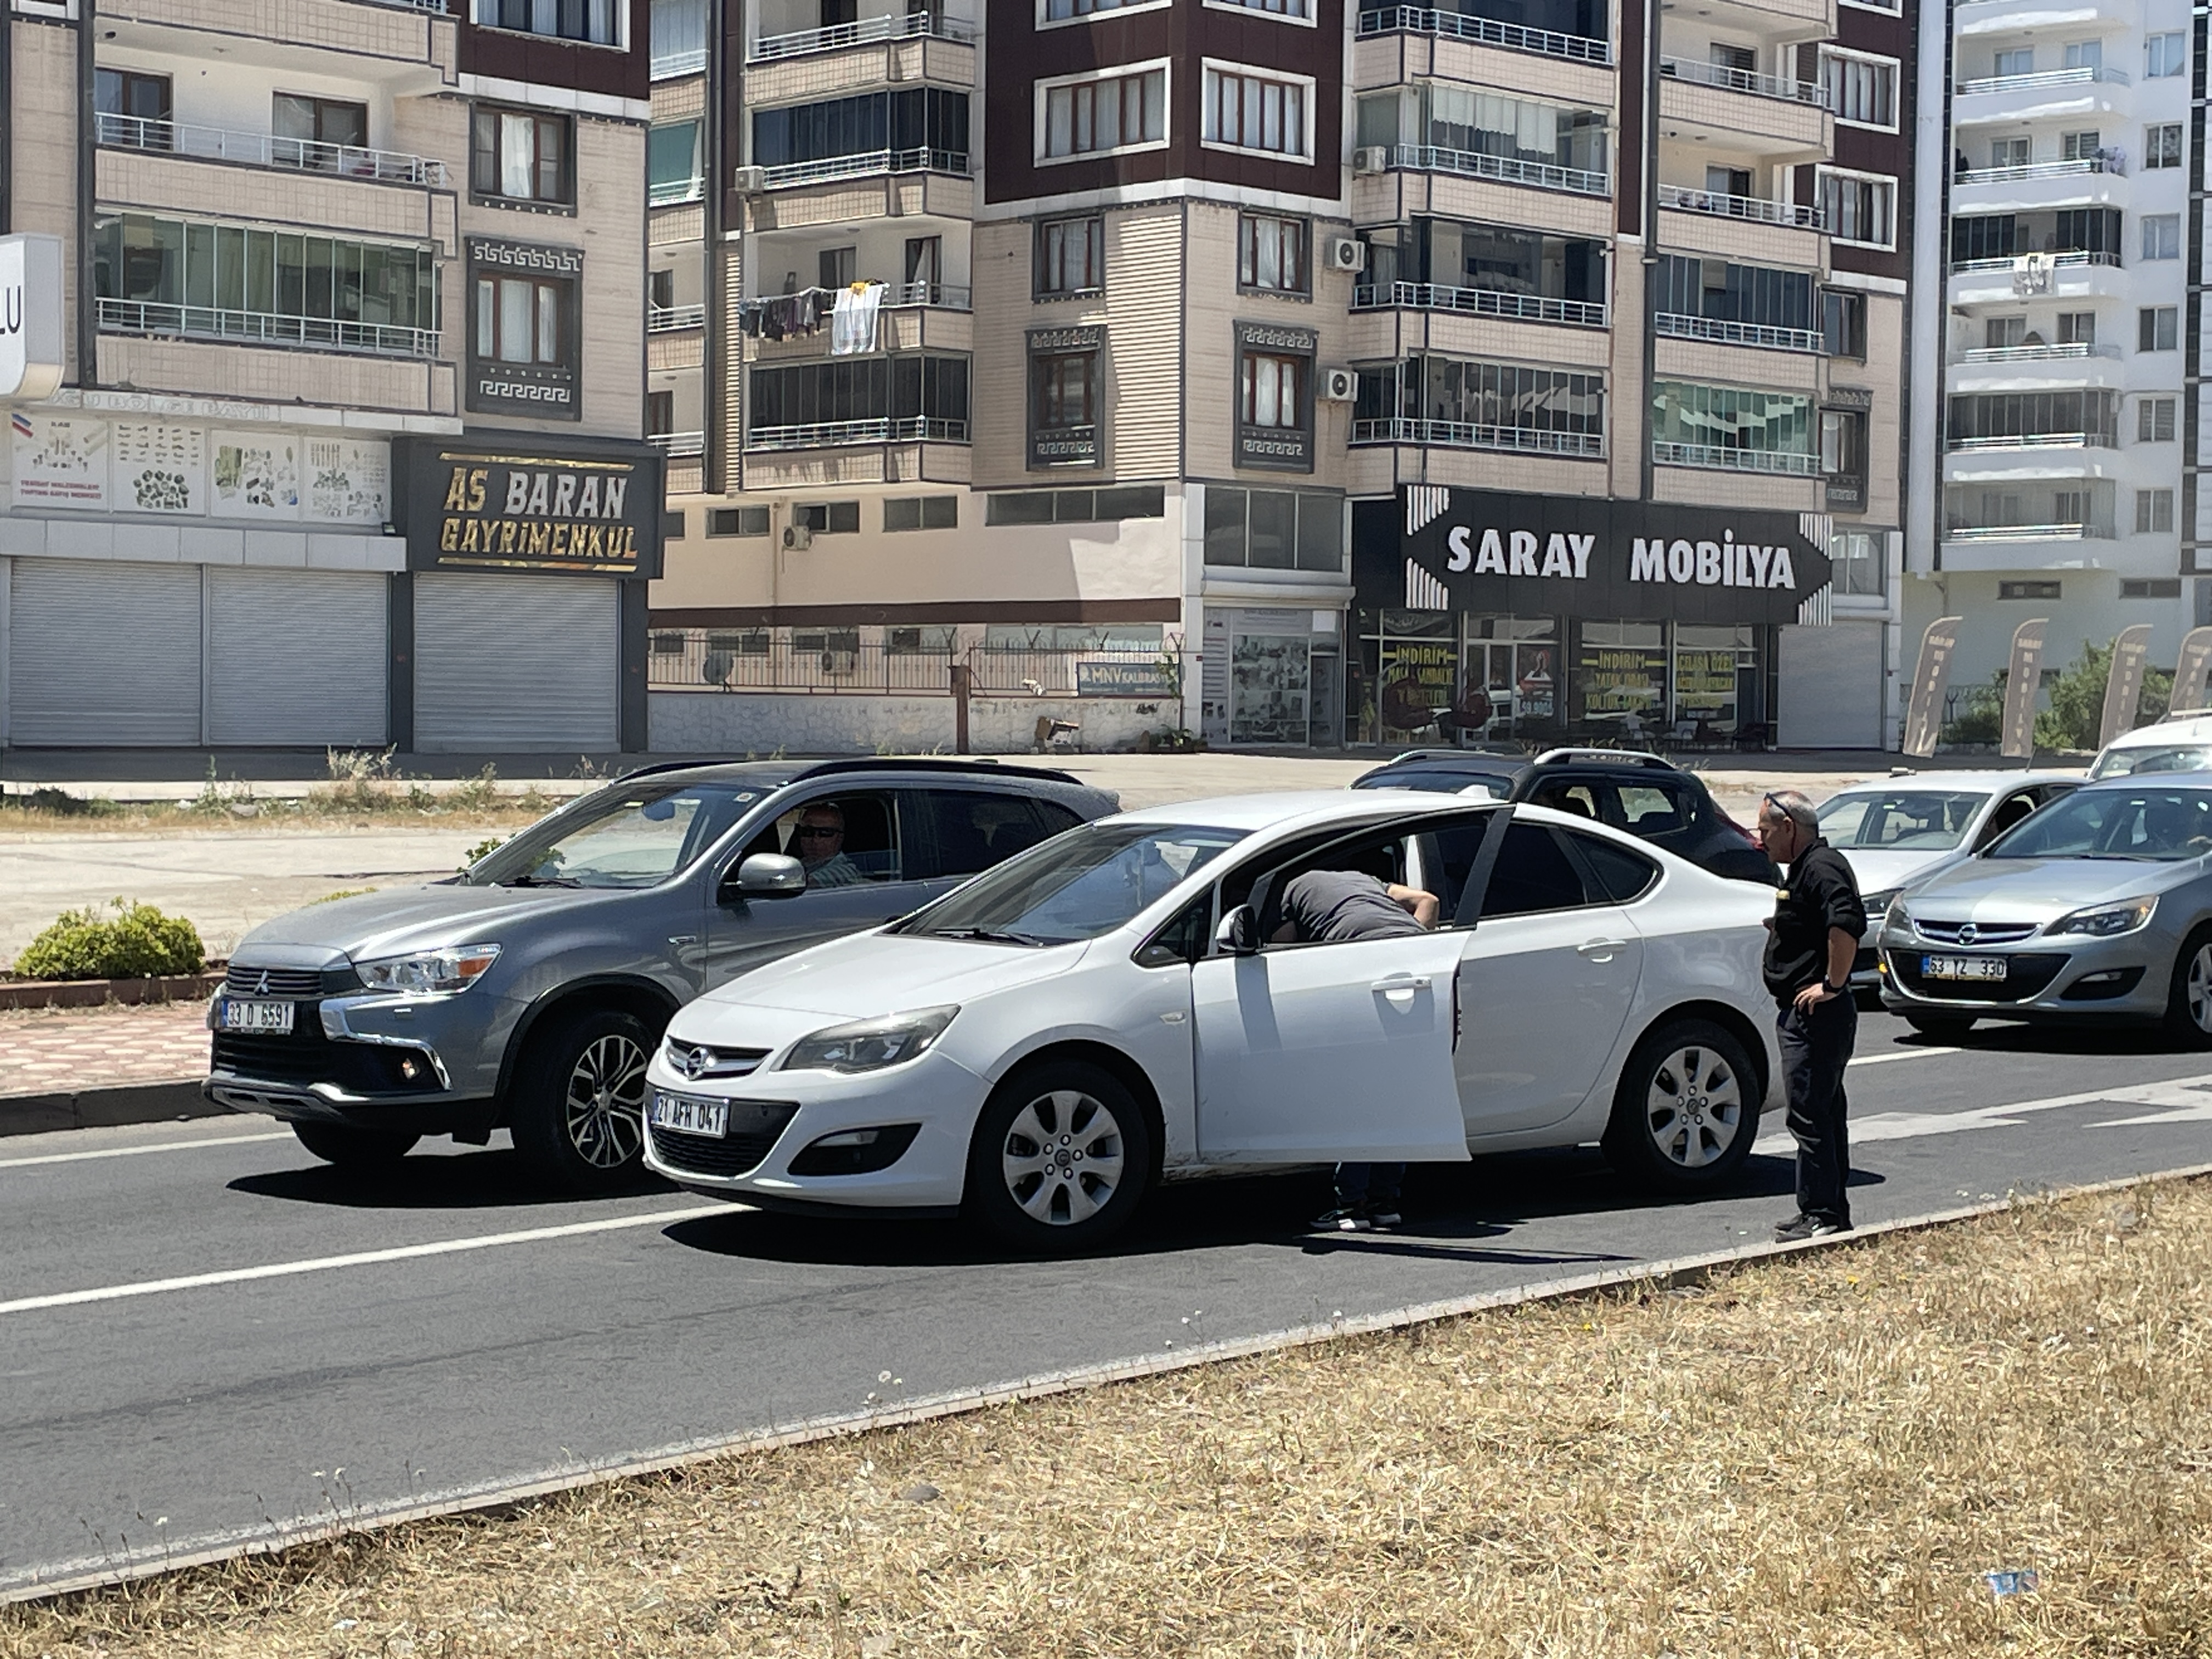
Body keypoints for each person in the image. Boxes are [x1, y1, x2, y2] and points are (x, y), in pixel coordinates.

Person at [1273, 866, 1441, 1234]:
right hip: (1420, 966)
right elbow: (1429, 900)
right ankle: (1385, 1203)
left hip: (1365, 964)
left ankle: (1351, 1207)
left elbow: (1283, 950)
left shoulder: (1292, 888)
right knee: (1394, 1098)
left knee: (1359, 1098)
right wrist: (1415, 949)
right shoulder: (1365, 882)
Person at [1757, 788, 1867, 1242]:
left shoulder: (1822, 866)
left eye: (1765, 831)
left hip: (1817, 1017)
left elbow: (1846, 925)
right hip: (1804, 1014)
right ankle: (1822, 1209)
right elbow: (1818, 923)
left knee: (1810, 1113)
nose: (1759, 840)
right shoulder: (1802, 870)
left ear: (1789, 827)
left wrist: (1832, 986)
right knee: (1820, 1110)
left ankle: (1823, 1214)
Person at [793, 802, 866, 888]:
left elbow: (805, 885)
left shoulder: (844, 871)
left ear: (840, 838)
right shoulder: (802, 863)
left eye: (825, 833)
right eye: (808, 832)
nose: (815, 840)